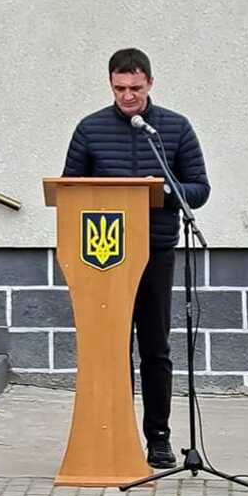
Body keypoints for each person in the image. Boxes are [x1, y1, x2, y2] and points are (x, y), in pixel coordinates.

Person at [61, 47, 211, 469]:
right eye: (119, 88)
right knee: (110, 347)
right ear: (110, 84)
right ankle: (115, 431)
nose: (127, 96)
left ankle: (158, 438)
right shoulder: (89, 130)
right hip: (103, 257)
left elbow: (199, 188)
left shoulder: (173, 129)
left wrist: (163, 190)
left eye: (135, 88)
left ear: (150, 83)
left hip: (155, 251)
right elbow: (70, 190)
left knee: (155, 347)